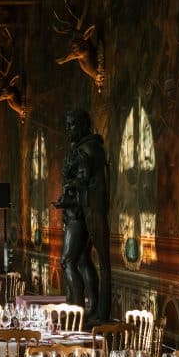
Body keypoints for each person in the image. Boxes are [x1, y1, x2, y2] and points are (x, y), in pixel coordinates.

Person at [54, 108, 112, 326]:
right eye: (67, 125)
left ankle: (75, 311)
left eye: (71, 125)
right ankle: (93, 307)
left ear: (81, 125)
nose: (68, 129)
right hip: (77, 211)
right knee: (83, 259)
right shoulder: (86, 148)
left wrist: (68, 197)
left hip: (80, 213)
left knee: (67, 261)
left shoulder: (88, 150)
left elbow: (83, 184)